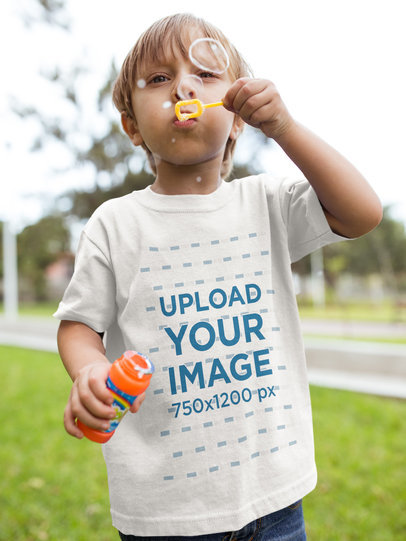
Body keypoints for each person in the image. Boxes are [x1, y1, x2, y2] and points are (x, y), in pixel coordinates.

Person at [54, 13, 382, 541]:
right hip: (165, 512)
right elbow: (78, 325)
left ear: (236, 115)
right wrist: (90, 370)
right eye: (159, 79)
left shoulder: (267, 202)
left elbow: (361, 213)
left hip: (274, 500)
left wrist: (287, 129)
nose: (183, 85)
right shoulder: (116, 224)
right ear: (132, 125)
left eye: (205, 74)